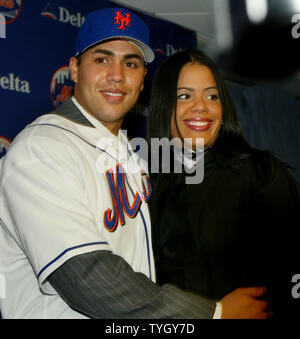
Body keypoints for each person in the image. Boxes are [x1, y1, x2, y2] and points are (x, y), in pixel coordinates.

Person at [0, 8, 270, 319]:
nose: (117, 74)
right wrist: (215, 314)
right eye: (102, 59)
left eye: (131, 63)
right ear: (74, 69)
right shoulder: (42, 149)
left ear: (142, 80)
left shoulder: (124, 151)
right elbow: (88, 279)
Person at [147, 49, 300, 320]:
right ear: (163, 104)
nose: (200, 106)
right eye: (184, 95)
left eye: (212, 96)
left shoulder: (260, 174)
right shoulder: (145, 186)